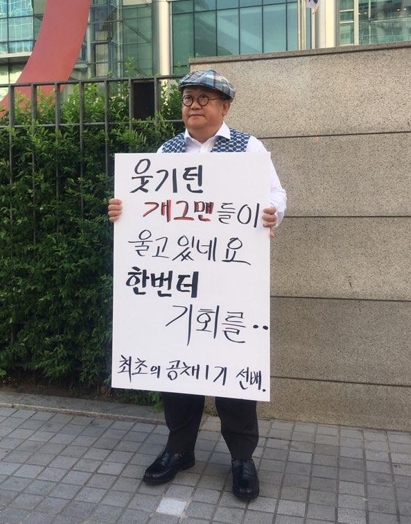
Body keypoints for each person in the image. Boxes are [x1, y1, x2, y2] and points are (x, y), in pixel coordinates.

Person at [108, 69, 287, 501]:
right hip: (179, 280)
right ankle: (179, 449)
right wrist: (123, 211)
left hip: (229, 281)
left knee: (232, 368)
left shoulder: (248, 148)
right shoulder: (167, 151)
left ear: (225, 107)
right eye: (188, 98)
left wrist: (271, 212)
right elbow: (148, 206)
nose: (194, 105)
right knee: (178, 364)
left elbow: (276, 194)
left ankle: (241, 458)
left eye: (205, 98)